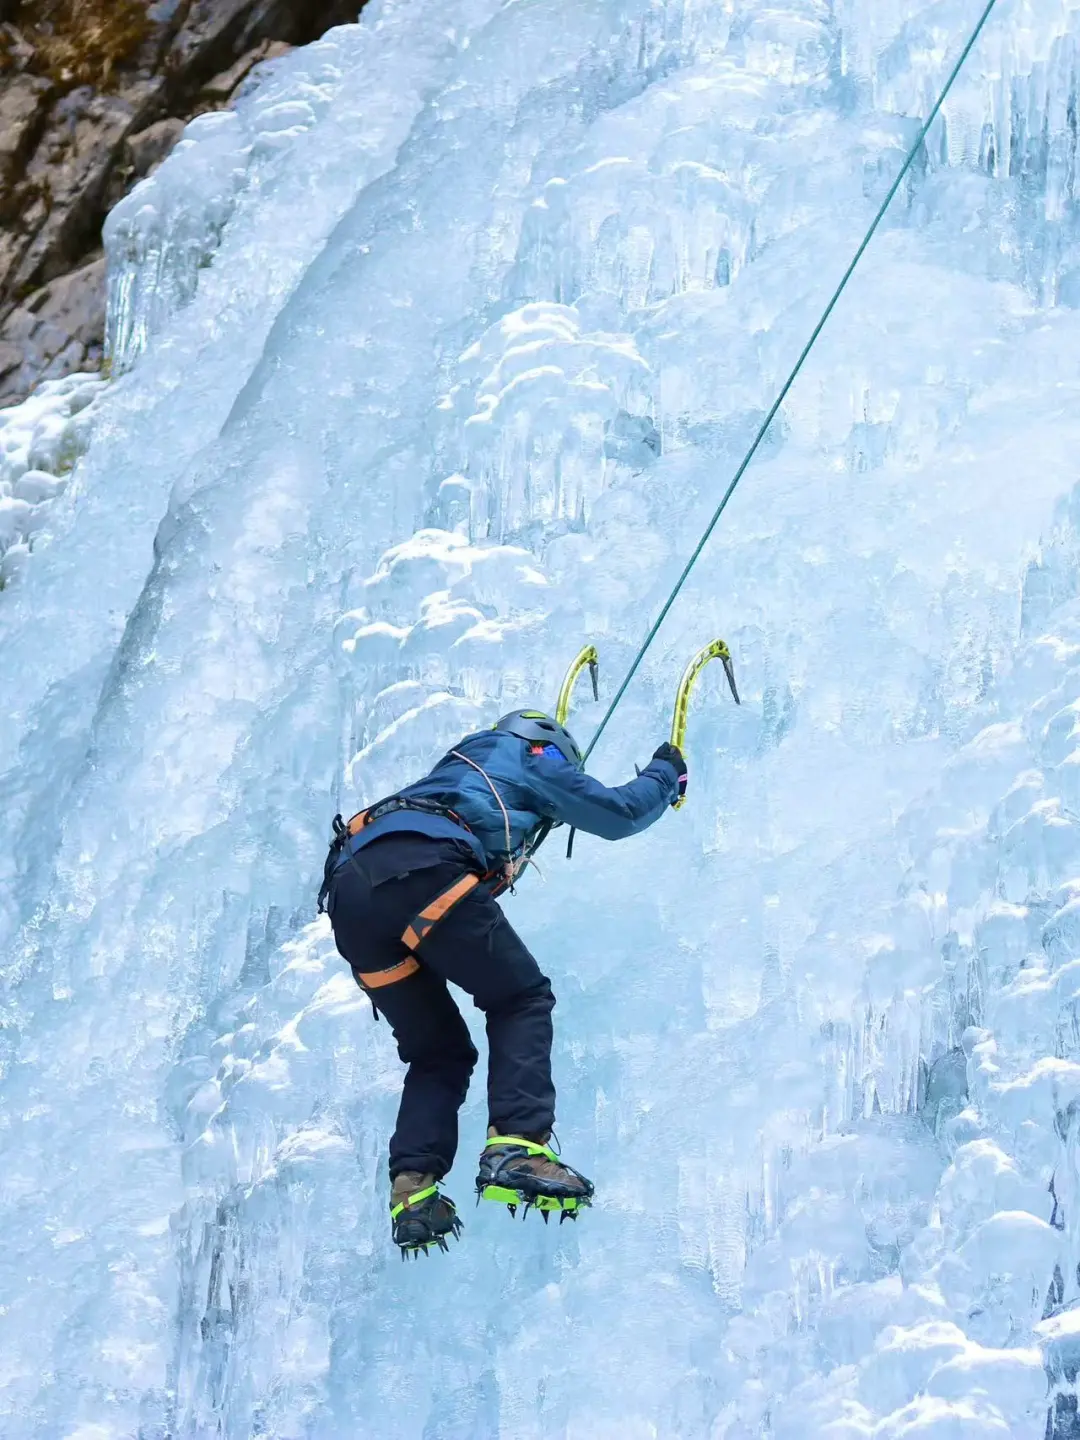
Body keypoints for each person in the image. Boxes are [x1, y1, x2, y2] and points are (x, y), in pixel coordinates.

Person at [320, 709, 687, 1256]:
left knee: (437, 1052)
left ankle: (413, 1190)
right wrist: (665, 772)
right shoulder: (526, 756)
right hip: (422, 870)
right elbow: (620, 813)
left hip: (350, 900)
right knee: (520, 997)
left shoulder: (456, 769)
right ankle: (517, 1146)